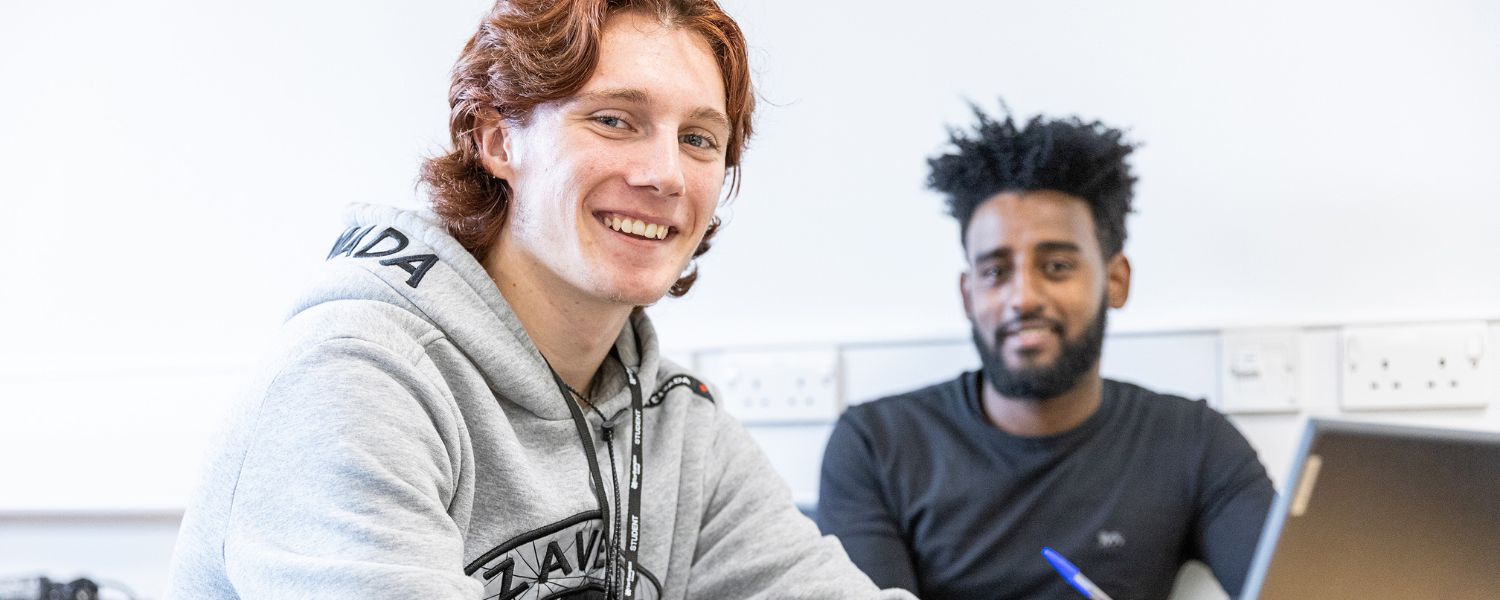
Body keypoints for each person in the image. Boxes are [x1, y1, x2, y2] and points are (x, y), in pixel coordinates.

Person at [166, 1, 913, 598]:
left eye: (698, 139)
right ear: (497, 139)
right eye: (615, 119)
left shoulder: (678, 427)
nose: (665, 175)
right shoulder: (353, 381)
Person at [816, 106, 1275, 600]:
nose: (1023, 298)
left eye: (1056, 266)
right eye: (995, 272)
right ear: (969, 295)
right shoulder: (876, 446)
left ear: (1115, 281)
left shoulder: (1195, 444)